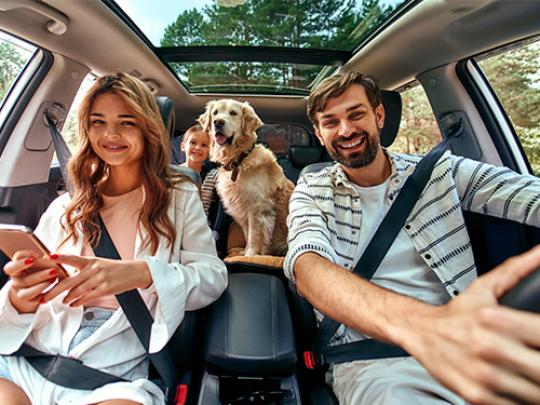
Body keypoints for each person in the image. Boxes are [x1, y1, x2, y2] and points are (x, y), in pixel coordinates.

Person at [284, 71, 540, 405]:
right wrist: (430, 328)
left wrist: (453, 332)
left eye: (356, 114)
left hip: (470, 343)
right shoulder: (312, 190)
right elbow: (307, 266)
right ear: (319, 133)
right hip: (373, 362)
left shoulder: (438, 171)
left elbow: (525, 194)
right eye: (330, 122)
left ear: (379, 115)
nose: (345, 131)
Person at [0, 73, 227, 405]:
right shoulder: (67, 204)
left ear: (148, 127)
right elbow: (28, 295)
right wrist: (20, 297)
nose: (110, 134)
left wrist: (142, 273)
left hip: (112, 375)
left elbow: (213, 276)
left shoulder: (179, 197)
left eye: (126, 122)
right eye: (98, 122)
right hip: (31, 358)